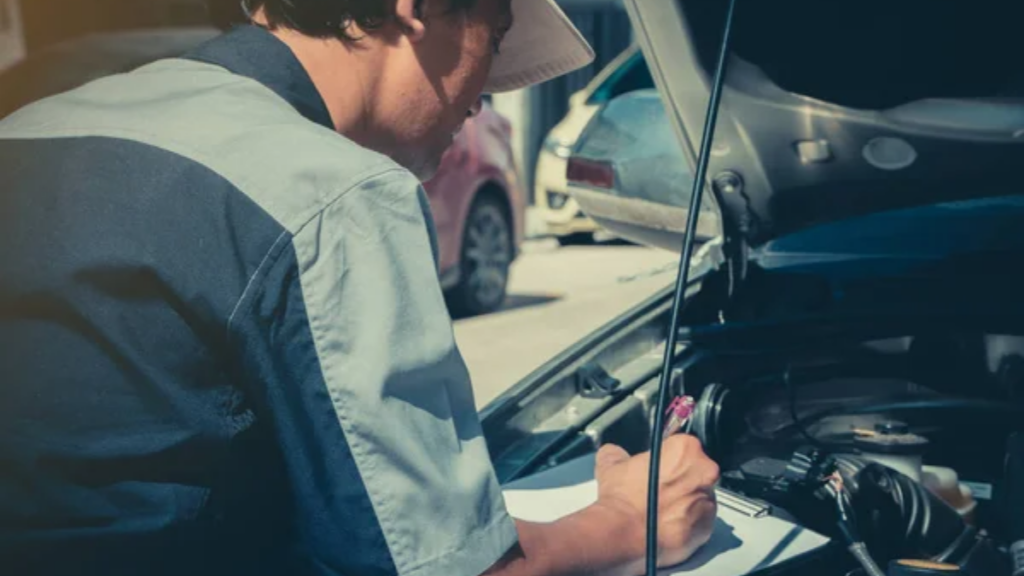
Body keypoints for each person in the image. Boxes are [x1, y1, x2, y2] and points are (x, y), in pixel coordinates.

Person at [0, 0, 720, 575]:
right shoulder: (331, 192)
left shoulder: (36, 128)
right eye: (494, 38)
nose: (485, 101)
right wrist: (630, 523)